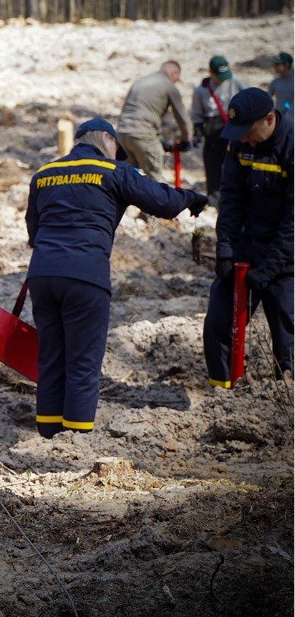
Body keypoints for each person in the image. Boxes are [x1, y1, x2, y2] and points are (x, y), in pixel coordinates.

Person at [26, 118, 207, 438]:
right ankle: (76, 441)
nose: (117, 155)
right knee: (83, 362)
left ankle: (48, 435)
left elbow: (33, 232)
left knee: (51, 357)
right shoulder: (114, 172)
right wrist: (191, 198)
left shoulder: (43, 174)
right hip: (86, 276)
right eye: (116, 149)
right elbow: (163, 202)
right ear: (106, 139)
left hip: (43, 275)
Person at [202, 88, 293, 387]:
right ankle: (222, 394)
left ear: (269, 119)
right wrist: (226, 248)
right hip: (247, 243)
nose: (242, 138)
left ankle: (286, 399)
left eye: (247, 131)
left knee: (287, 333)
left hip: (285, 252)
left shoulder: (291, 145)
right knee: (218, 322)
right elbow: (230, 199)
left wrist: (269, 269)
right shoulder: (239, 145)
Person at [115, 61, 191, 183]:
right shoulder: (168, 86)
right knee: (155, 181)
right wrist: (186, 140)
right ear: (174, 73)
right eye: (177, 79)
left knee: (127, 181)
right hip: (143, 135)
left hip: (122, 133)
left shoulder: (140, 82)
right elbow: (182, 118)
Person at [189, 55, 246, 205]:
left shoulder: (236, 82)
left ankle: (237, 196)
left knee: (236, 162)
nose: (222, 80)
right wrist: (198, 129)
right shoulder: (201, 90)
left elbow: (248, 100)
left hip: (233, 127)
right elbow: (196, 113)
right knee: (213, 165)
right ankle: (214, 200)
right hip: (213, 130)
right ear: (211, 72)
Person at [269, 52, 293, 117]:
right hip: (281, 119)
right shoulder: (275, 82)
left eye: (277, 64)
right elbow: (267, 99)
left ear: (286, 65)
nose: (274, 67)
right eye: (274, 64)